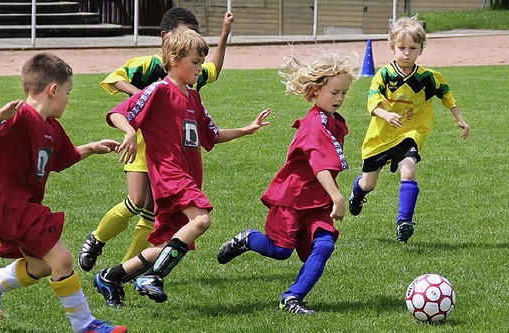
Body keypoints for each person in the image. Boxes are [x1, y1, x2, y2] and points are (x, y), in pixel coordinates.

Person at [94, 27, 271, 307]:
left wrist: (246, 130)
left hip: (186, 178)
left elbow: (211, 135)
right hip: (169, 176)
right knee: (200, 220)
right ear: (175, 60)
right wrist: (129, 132)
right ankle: (153, 277)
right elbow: (118, 112)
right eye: (195, 62)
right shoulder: (158, 91)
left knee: (166, 246)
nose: (200, 68)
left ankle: (110, 277)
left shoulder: (193, 97)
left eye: (202, 63)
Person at [0, 52, 127, 333]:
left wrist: (91, 148)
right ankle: (85, 326)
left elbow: (64, 158)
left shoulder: (51, 127)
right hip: (9, 206)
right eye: (67, 93)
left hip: (23, 206)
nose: (68, 99)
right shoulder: (19, 117)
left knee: (42, 266)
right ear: (53, 90)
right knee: (62, 259)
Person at [78, 7, 235, 275]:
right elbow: (115, 79)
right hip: (141, 143)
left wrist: (224, 34)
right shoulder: (150, 64)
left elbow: (214, 69)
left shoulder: (191, 69)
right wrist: (145, 94)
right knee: (136, 201)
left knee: (152, 213)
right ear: (166, 38)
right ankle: (96, 240)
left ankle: (126, 271)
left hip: (173, 152)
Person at [216, 50, 360, 315]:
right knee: (281, 250)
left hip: (316, 201)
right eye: (334, 92)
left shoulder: (334, 121)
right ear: (316, 90)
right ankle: (248, 238)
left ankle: (292, 297)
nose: (340, 98)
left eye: (344, 93)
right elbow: (319, 165)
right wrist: (338, 197)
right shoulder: (316, 124)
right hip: (292, 198)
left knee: (325, 244)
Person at [347, 16, 470, 243]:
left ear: (421, 49)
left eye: (412, 48)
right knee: (369, 183)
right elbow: (372, 100)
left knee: (409, 170)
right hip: (381, 137)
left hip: (410, 133)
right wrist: (386, 114)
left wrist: (460, 119)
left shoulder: (427, 77)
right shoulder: (384, 75)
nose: (406, 53)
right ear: (392, 48)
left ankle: (404, 221)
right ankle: (358, 192)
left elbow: (446, 94)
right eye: (401, 48)